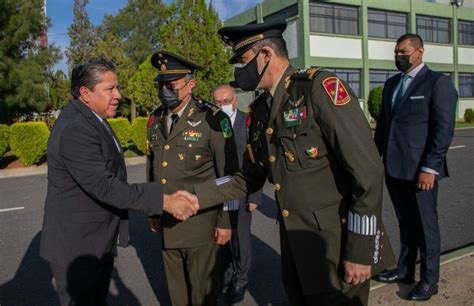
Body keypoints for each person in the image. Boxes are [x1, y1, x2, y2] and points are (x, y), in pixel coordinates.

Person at [178, 20, 395, 306]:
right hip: (296, 251)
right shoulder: (260, 110)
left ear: (265, 54)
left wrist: (360, 251)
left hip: (337, 248)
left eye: (243, 61)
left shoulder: (317, 89)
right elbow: (247, 178)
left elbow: (367, 171)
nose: (239, 72)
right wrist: (197, 194)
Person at [40, 58, 198, 306]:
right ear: (85, 93)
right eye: (110, 89)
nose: (118, 95)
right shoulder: (76, 128)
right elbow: (105, 186)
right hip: (78, 248)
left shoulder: (91, 118)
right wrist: (163, 200)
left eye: (117, 87)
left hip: (94, 241)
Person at [146, 51, 239, 306]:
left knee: (202, 296)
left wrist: (227, 222)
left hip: (201, 226)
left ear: (191, 85)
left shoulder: (212, 119)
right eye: (161, 84)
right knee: (177, 295)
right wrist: (154, 209)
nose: (165, 89)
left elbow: (228, 176)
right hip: (167, 223)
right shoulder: (155, 120)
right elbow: (153, 168)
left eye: (171, 84)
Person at [373, 33, 457, 301]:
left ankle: (430, 280)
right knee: (405, 222)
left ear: (420, 52)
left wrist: (430, 168)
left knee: (426, 226)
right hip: (394, 168)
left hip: (421, 171)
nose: (399, 56)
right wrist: (375, 162)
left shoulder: (438, 83)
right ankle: (405, 271)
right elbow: (384, 127)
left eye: (404, 52)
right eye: (396, 52)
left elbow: (443, 130)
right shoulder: (391, 85)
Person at [212, 85, 263, 303]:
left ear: (234, 100)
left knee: (240, 238)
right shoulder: (213, 124)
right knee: (222, 236)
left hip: (242, 190)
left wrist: (254, 196)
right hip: (219, 191)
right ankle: (226, 275)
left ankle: (241, 280)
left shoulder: (248, 123)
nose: (223, 106)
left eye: (226, 101)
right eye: (218, 102)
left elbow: (257, 162)